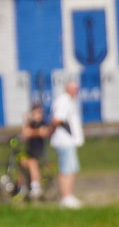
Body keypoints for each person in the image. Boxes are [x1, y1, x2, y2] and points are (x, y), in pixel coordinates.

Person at [49, 80, 84, 209]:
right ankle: (65, 197)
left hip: (69, 141)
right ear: (69, 89)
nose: (77, 92)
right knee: (66, 169)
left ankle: (70, 195)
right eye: (75, 89)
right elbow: (57, 119)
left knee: (72, 169)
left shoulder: (69, 101)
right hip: (64, 141)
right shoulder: (63, 101)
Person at [18, 102, 51, 199]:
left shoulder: (43, 123)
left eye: (40, 113)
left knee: (32, 162)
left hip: (38, 149)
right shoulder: (31, 124)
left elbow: (42, 132)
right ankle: (22, 186)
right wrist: (25, 121)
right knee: (22, 162)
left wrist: (32, 132)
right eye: (37, 113)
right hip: (30, 149)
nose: (39, 115)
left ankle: (36, 186)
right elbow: (24, 133)